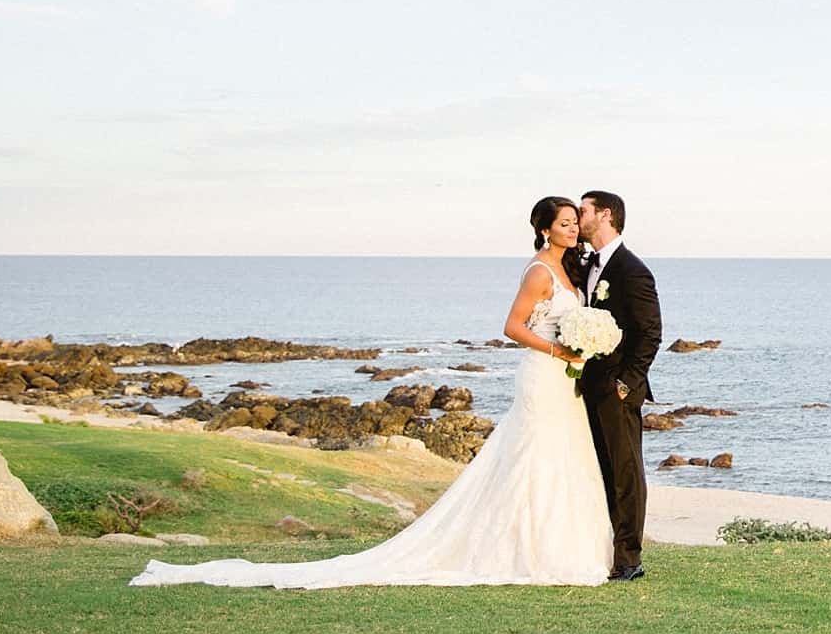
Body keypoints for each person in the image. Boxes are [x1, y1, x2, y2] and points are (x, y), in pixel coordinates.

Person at [130, 197, 614, 588]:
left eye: (575, 222)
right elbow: (511, 327)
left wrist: (582, 342)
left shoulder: (571, 269)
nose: (573, 229)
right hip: (542, 372)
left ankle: (560, 545)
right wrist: (559, 351)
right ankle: (526, 551)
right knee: (531, 457)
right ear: (545, 229)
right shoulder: (538, 272)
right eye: (565, 223)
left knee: (562, 456)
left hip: (563, 380)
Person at [574, 190, 661, 581]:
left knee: (625, 473)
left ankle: (629, 559)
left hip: (617, 389)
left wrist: (627, 383)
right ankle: (602, 547)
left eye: (583, 210)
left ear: (605, 215)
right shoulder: (584, 264)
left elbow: (650, 334)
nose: (578, 217)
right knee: (600, 471)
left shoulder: (632, 270)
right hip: (587, 386)